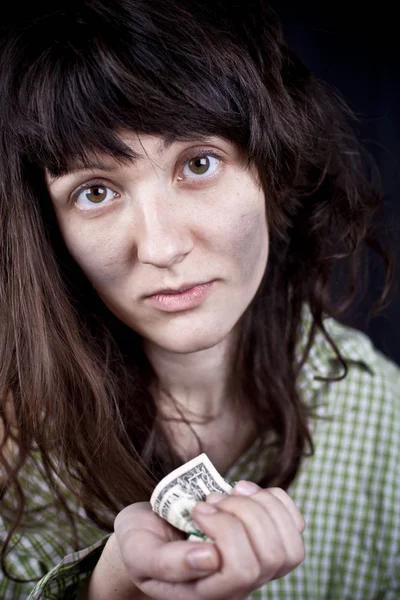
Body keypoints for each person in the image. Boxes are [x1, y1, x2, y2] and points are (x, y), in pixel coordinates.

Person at [0, 0, 399, 598]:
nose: (161, 247)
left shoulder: (387, 426)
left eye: (199, 162)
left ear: (272, 167)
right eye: (96, 191)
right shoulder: (15, 451)